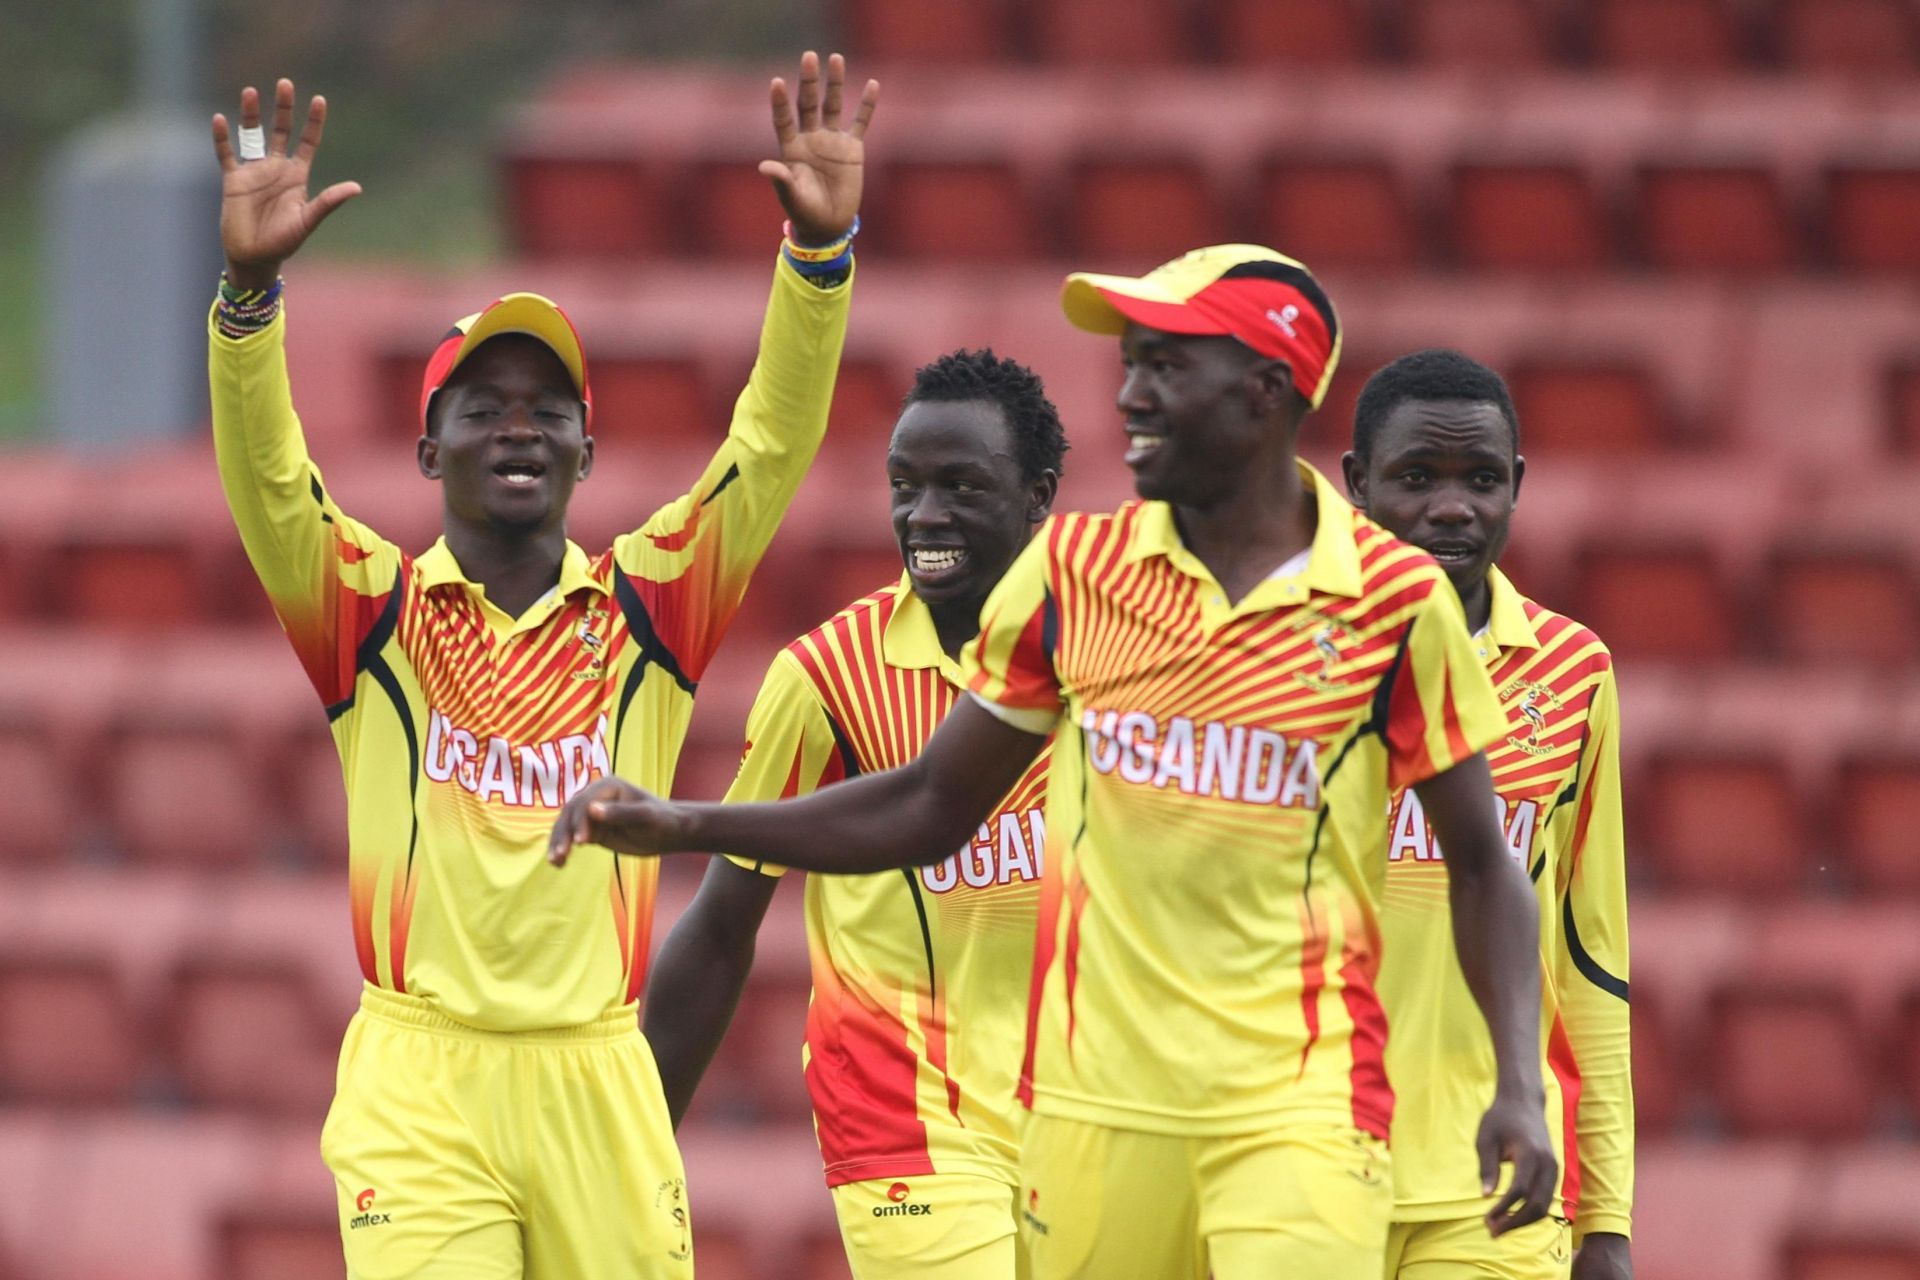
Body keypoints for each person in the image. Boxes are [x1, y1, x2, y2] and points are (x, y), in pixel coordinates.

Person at [552, 245, 1559, 1279]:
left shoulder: (1397, 603)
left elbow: (1486, 865)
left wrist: (1517, 1081)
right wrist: (688, 823)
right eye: (1131, 365)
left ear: (1267, 391)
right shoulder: (1077, 574)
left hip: (1301, 1104)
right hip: (1093, 1112)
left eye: (1166, 367)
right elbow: (935, 801)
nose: (1131, 394)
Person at [207, 56, 876, 1278]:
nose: (518, 423)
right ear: (428, 449)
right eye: (482, 406)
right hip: (424, 1081)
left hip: (598, 1074)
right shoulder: (371, 612)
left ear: (584, 446)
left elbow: (770, 444)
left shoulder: (651, 607)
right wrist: (250, 299)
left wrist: (818, 266)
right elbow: (265, 477)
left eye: (546, 405)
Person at [644, 349, 1066, 1279]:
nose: (925, 517)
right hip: (904, 1119)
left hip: (1088, 1114)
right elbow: (722, 926)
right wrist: (625, 1150)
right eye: (905, 486)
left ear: (1038, 495)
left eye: (961, 486)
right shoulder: (828, 678)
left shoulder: (1109, 666)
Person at [1342, 349, 1632, 1280]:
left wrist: (1609, 1222)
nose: (1451, 507)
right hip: (1299, 1166)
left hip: (1495, 1185)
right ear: (1357, 486)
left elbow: (1590, 959)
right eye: (1415, 478)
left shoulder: (1573, 671)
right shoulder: (1280, 655)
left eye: (1481, 479)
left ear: (1518, 486)